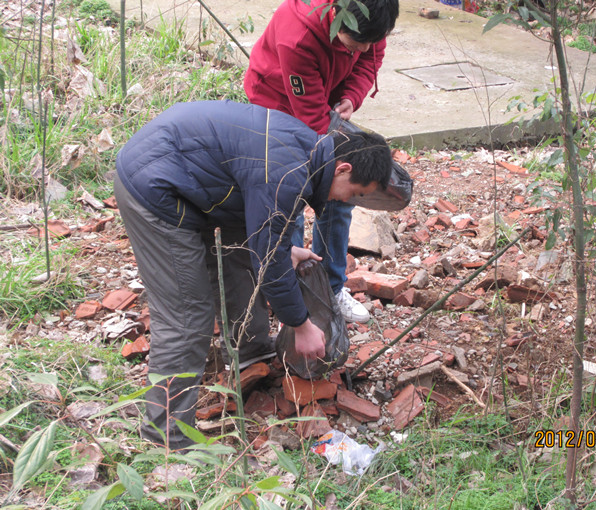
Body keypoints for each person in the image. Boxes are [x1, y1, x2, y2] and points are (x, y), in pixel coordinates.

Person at [114, 99, 392, 450]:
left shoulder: (307, 151)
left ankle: (251, 353)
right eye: (355, 193)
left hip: (194, 177)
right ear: (343, 169)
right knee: (187, 315)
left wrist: (284, 250)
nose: (347, 200)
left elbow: (265, 231)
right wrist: (301, 325)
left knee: (240, 260)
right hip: (155, 185)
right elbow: (271, 263)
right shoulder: (288, 174)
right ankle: (166, 437)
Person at [244, 0, 399, 324]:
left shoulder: (371, 17)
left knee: (343, 194)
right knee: (290, 197)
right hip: (276, 106)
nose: (365, 49)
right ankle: (293, 294)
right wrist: (332, 162)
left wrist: (351, 96)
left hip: (325, 99)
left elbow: (370, 60)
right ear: (335, 16)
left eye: (372, 40)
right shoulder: (298, 35)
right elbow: (312, 118)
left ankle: (330, 288)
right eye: (357, 43)